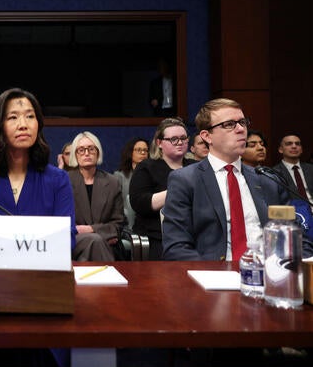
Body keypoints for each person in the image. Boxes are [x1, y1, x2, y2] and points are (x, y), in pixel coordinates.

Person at [162, 98, 313, 260]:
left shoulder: (268, 180)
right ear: (207, 136)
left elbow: (299, 242)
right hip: (212, 276)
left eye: (242, 122)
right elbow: (176, 247)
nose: (241, 129)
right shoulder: (185, 180)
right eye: (229, 124)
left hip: (269, 275)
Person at [0, 87, 76, 245]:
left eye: (30, 116)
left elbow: (67, 239)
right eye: (13, 117)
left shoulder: (58, 180)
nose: (23, 125)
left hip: (40, 268)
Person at [129, 117, 195, 260]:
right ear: (159, 143)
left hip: (195, 233)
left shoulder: (195, 167)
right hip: (157, 236)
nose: (180, 142)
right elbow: (140, 203)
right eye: (173, 139)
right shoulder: (147, 167)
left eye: (183, 138)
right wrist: (177, 191)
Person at [68, 131, 124, 261]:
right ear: (75, 155)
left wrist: (91, 229)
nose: (86, 153)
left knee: (95, 242)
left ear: (98, 153)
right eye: (81, 150)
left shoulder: (112, 182)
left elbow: (118, 224)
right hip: (73, 240)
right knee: (94, 241)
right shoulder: (65, 181)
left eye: (91, 149)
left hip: (105, 240)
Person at [113, 137, 149, 229]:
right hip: (125, 222)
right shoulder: (119, 176)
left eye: (145, 150)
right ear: (130, 153)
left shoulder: (152, 175)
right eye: (138, 150)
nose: (143, 153)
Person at [273, 134, 313, 205]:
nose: (294, 146)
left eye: (297, 144)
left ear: (301, 150)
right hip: (293, 211)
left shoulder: (311, 169)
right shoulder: (274, 172)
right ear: (280, 149)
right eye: (289, 144)